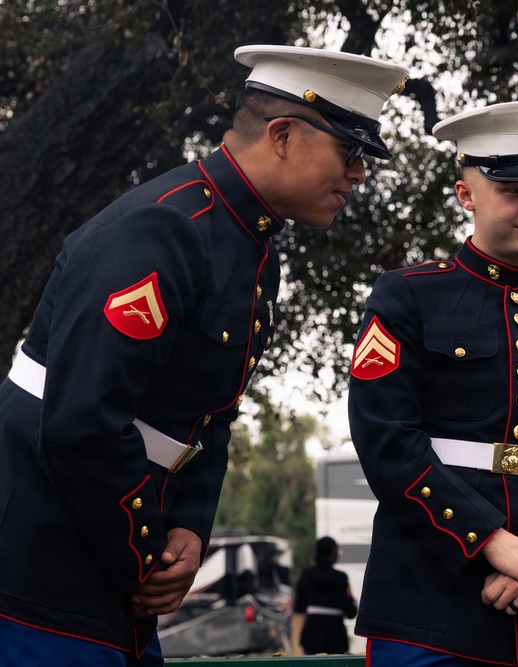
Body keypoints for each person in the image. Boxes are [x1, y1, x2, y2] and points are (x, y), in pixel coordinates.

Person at [0, 45, 408, 665]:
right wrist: (143, 557)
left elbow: (209, 416)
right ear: (282, 134)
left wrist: (190, 528)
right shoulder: (164, 229)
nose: (358, 175)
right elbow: (82, 422)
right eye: (349, 154)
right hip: (39, 567)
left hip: (107, 573)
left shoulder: (252, 251)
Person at [347, 99, 518, 666]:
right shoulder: (409, 297)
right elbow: (387, 442)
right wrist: (493, 544)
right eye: (517, 190)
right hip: (427, 605)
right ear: (466, 194)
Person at [291, 536, 358, 655]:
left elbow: (299, 606)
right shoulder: (340, 577)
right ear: (333, 553)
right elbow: (350, 611)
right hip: (335, 634)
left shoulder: (307, 575)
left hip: (311, 633)